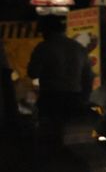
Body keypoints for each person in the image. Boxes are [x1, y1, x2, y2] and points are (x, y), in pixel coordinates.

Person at [26, 14, 93, 144]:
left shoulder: (44, 47)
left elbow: (32, 72)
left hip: (52, 100)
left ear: (46, 30)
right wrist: (84, 99)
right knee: (72, 140)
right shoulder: (78, 48)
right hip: (75, 100)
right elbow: (88, 78)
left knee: (51, 139)